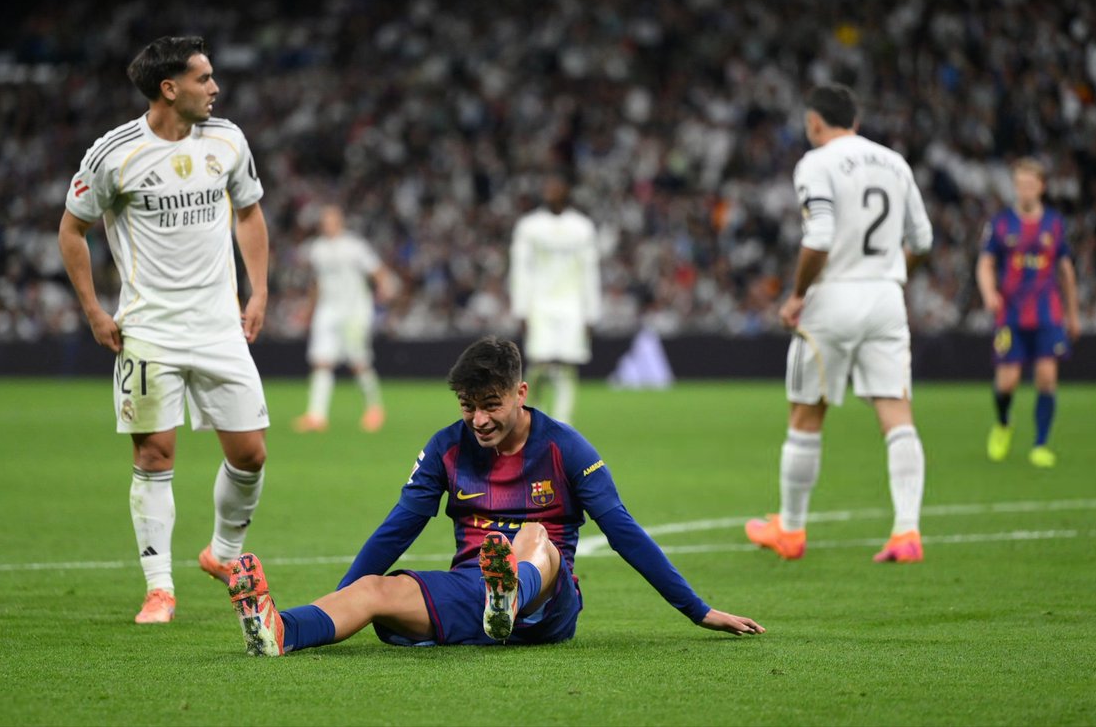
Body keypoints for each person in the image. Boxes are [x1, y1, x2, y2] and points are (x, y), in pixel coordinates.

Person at [227, 336, 764, 655]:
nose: (479, 419)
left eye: (491, 404)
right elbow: (399, 527)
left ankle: (509, 592)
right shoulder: (445, 450)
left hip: (549, 605)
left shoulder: (566, 448)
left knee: (535, 535)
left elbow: (622, 531)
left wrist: (698, 611)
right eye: (468, 406)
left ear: (520, 394)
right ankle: (279, 631)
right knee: (374, 590)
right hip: (469, 593)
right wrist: (341, 597)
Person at [58, 35, 271, 624]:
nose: (215, 89)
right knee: (154, 454)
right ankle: (159, 587)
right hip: (149, 329)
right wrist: (95, 311)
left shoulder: (227, 140)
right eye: (204, 79)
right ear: (169, 89)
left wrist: (259, 289)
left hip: (220, 326)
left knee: (250, 453)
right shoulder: (113, 154)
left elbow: (249, 211)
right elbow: (71, 232)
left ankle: (221, 554)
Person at [744, 84, 934, 564]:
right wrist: (888, 279)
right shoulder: (895, 162)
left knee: (806, 414)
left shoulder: (817, 162)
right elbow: (923, 238)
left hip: (834, 297)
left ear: (813, 122)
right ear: (856, 117)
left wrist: (798, 294)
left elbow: (820, 235)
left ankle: (790, 529)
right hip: (886, 295)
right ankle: (907, 533)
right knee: (897, 413)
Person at [976, 158, 1081, 468]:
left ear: (1042, 186)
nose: (1025, 189)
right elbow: (985, 262)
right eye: (1020, 183)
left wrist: (1073, 314)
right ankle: (1004, 422)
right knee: (1007, 381)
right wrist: (989, 293)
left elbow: (1065, 270)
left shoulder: (1055, 223)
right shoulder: (1000, 223)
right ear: (1015, 186)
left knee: (1047, 378)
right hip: (1010, 312)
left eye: (1031, 183)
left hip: (1048, 312)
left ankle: (1040, 444)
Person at [508, 172, 601, 424]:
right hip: (540, 304)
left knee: (566, 366)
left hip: (571, 305)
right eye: (547, 185)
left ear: (566, 189)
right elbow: (520, 269)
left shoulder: (582, 227)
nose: (550, 190)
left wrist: (591, 312)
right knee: (539, 363)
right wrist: (521, 309)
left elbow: (589, 271)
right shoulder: (529, 226)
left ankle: (562, 422)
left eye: (555, 185)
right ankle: (533, 415)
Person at [292, 204, 394, 434]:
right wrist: (309, 310)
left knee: (358, 362)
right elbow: (316, 284)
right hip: (327, 310)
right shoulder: (317, 249)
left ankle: (375, 408)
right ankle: (316, 415)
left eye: (331, 220)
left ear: (340, 222)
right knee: (321, 361)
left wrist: (384, 290)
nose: (327, 225)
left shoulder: (354, 246)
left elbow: (378, 271)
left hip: (354, 310)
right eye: (324, 221)